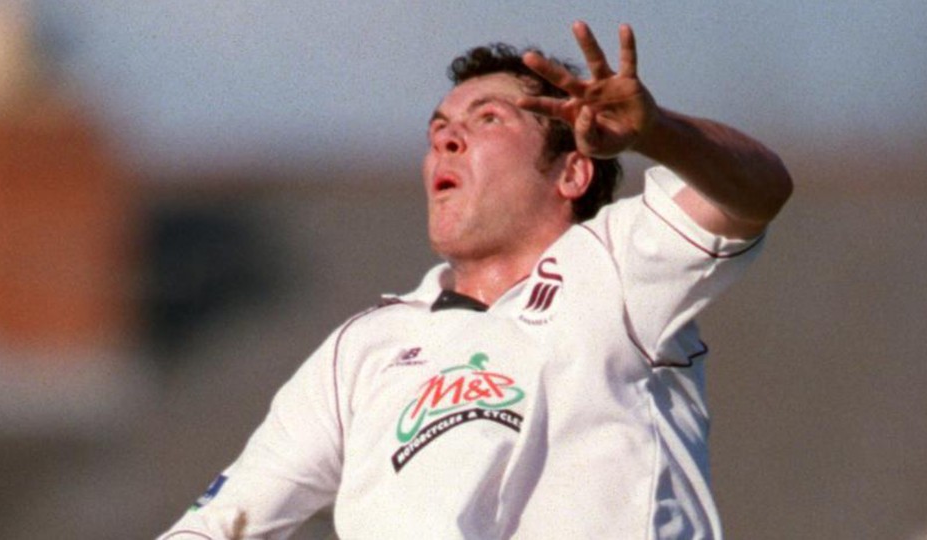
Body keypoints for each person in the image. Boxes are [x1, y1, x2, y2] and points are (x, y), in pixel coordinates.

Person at [160, 21, 792, 539]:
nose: (447, 140)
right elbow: (222, 524)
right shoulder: (364, 348)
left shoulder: (616, 264)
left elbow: (760, 191)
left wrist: (658, 133)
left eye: (487, 119)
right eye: (437, 130)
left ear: (572, 173)